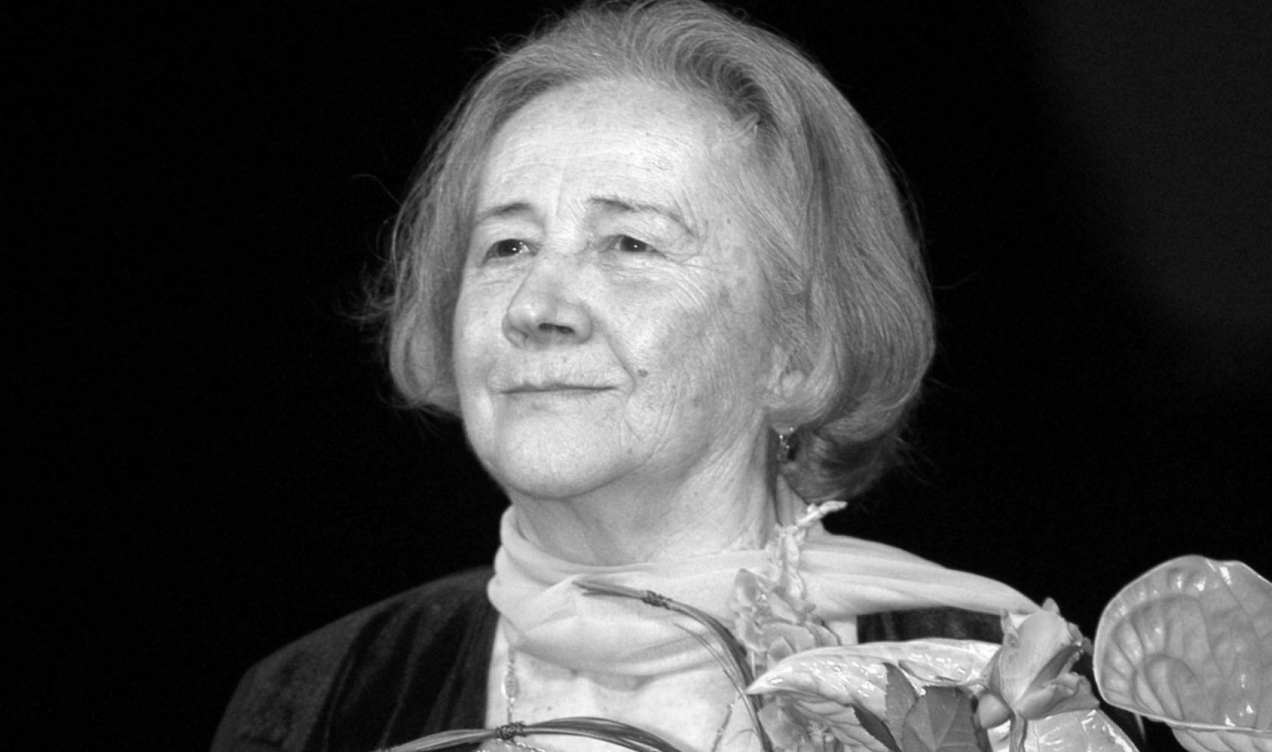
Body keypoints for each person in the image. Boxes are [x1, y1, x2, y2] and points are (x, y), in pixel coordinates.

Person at [212, 2, 1046, 751]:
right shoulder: (317, 701)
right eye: (507, 246)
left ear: (795, 347)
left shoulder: (1000, 692)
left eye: (629, 244)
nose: (536, 306)